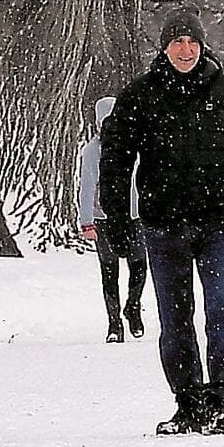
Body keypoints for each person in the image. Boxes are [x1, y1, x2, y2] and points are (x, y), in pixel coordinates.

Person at [99, 10, 224, 436]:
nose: (185, 49)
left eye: (191, 41)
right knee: (175, 318)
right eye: (176, 41)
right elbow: (117, 160)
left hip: (216, 223)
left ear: (202, 45)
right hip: (163, 225)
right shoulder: (140, 96)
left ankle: (220, 399)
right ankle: (188, 400)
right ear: (164, 47)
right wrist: (117, 216)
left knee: (221, 310)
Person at [78, 96, 147, 343]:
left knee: (138, 264)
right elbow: (86, 187)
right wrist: (86, 220)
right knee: (110, 270)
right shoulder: (91, 152)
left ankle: (133, 305)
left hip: (135, 215)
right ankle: (114, 323)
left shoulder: (137, 146)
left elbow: (145, 180)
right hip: (104, 217)